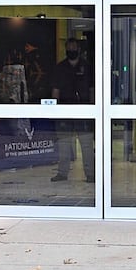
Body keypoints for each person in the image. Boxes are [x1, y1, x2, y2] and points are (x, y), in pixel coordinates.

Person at [50, 40, 95, 182]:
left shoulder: (88, 67)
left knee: (86, 144)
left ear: (79, 49)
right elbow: (55, 90)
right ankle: (62, 173)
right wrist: (54, 109)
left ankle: (91, 174)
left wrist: (94, 108)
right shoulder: (60, 68)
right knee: (63, 144)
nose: (71, 51)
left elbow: (92, 89)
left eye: (73, 48)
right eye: (68, 48)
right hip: (64, 111)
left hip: (84, 110)